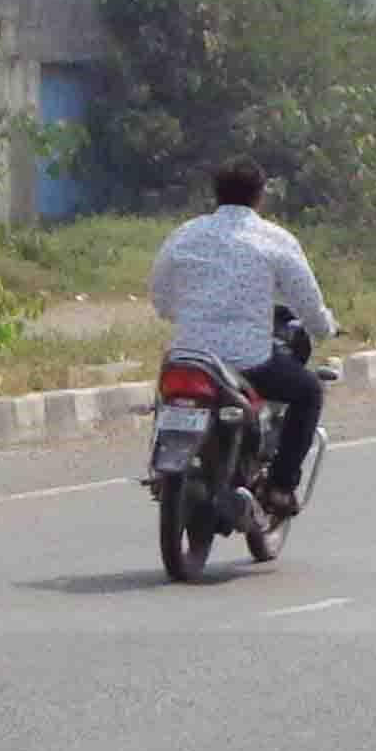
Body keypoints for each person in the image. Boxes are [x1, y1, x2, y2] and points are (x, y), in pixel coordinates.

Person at [149, 157, 335, 512]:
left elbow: (160, 297)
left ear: (216, 195)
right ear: (259, 197)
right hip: (247, 361)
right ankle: (280, 486)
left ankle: (161, 467)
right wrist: (324, 328)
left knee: (165, 392)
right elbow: (307, 301)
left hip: (189, 356)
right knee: (309, 390)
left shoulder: (184, 234)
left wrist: (184, 314)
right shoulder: (275, 239)